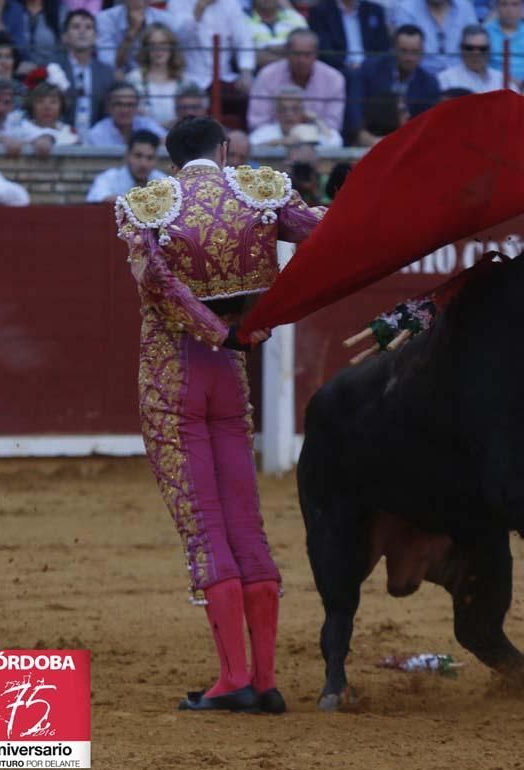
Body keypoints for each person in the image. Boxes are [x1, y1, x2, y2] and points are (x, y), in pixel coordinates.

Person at [115, 115, 326, 714]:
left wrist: (213, 332)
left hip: (173, 376)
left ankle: (233, 677)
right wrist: (254, 323)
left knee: (207, 524)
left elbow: (156, 283)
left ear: (171, 157)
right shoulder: (259, 191)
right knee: (244, 521)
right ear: (225, 150)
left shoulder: (146, 203)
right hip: (231, 380)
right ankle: (264, 679)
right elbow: (327, 236)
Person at [347, 24, 441, 139]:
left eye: (414, 52)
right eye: (404, 51)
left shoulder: (429, 84)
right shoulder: (369, 70)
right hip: (370, 139)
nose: (409, 58)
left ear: (422, 52)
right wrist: (369, 140)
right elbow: (355, 113)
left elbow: (428, 128)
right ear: (394, 50)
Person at [248, 29, 346, 134]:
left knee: (334, 138)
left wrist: (305, 132)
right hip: (275, 136)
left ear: (316, 54)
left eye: (307, 55)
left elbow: (333, 124)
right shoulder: (267, 75)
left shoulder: (333, 78)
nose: (301, 60)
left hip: (315, 135)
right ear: (286, 53)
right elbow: (257, 122)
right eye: (296, 54)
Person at [52, 9, 115, 139]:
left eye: (88, 27)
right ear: (65, 37)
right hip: (60, 139)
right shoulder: (54, 68)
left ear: (96, 36)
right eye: (76, 27)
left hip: (98, 142)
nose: (82, 31)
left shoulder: (107, 73)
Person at [95, 0, 184, 79]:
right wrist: (131, 32)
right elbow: (108, 65)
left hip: (154, 78)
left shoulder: (166, 19)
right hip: (119, 83)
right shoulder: (105, 19)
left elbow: (175, 59)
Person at [125, 23, 188, 128]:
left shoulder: (185, 81)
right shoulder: (133, 79)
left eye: (163, 43)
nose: (158, 49)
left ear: (172, 47)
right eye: (153, 45)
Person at [395, 0, 480, 74]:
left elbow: (476, 48)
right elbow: (406, 56)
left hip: (461, 79)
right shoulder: (407, 9)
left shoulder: (465, 8)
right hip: (422, 79)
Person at [309, 0, 391, 72]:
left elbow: (382, 48)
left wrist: (367, 65)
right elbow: (324, 50)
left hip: (371, 68)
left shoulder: (375, 10)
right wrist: (347, 65)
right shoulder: (321, 11)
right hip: (338, 68)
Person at [249, 86, 343, 147]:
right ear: (276, 113)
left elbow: (335, 143)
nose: (289, 114)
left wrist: (317, 119)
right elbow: (250, 147)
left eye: (295, 109)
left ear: (303, 112)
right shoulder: (265, 132)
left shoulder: (311, 131)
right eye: (283, 109)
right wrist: (280, 142)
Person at [86, 129, 165, 201]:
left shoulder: (163, 182)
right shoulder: (108, 179)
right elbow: (96, 201)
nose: (143, 164)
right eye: (138, 156)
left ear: (156, 160)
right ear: (127, 156)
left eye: (150, 158)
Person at [85, 82, 167, 146]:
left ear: (137, 107)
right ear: (108, 107)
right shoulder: (97, 134)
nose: (125, 110)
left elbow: (169, 143)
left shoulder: (146, 124)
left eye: (130, 104)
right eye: (118, 104)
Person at [485, 0, 524, 83]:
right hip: (493, 84)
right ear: (496, 7)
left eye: (515, 5)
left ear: (522, 7)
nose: (509, 10)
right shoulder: (484, 32)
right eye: (504, 4)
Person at [243, 0, 309, 73]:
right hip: (257, 75)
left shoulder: (294, 17)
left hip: (294, 75)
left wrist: (267, 50)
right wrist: (289, 53)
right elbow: (248, 57)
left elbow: (306, 49)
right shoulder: (242, 19)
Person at [438, 25, 509, 92]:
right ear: (461, 49)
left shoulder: (501, 79)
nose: (476, 54)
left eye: (482, 49)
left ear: (489, 50)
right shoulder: (446, 80)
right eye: (470, 48)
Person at [23, 77, 80, 144]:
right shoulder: (21, 130)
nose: (47, 107)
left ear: (61, 106)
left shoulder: (69, 133)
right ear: (31, 105)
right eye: (40, 101)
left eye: (53, 102)